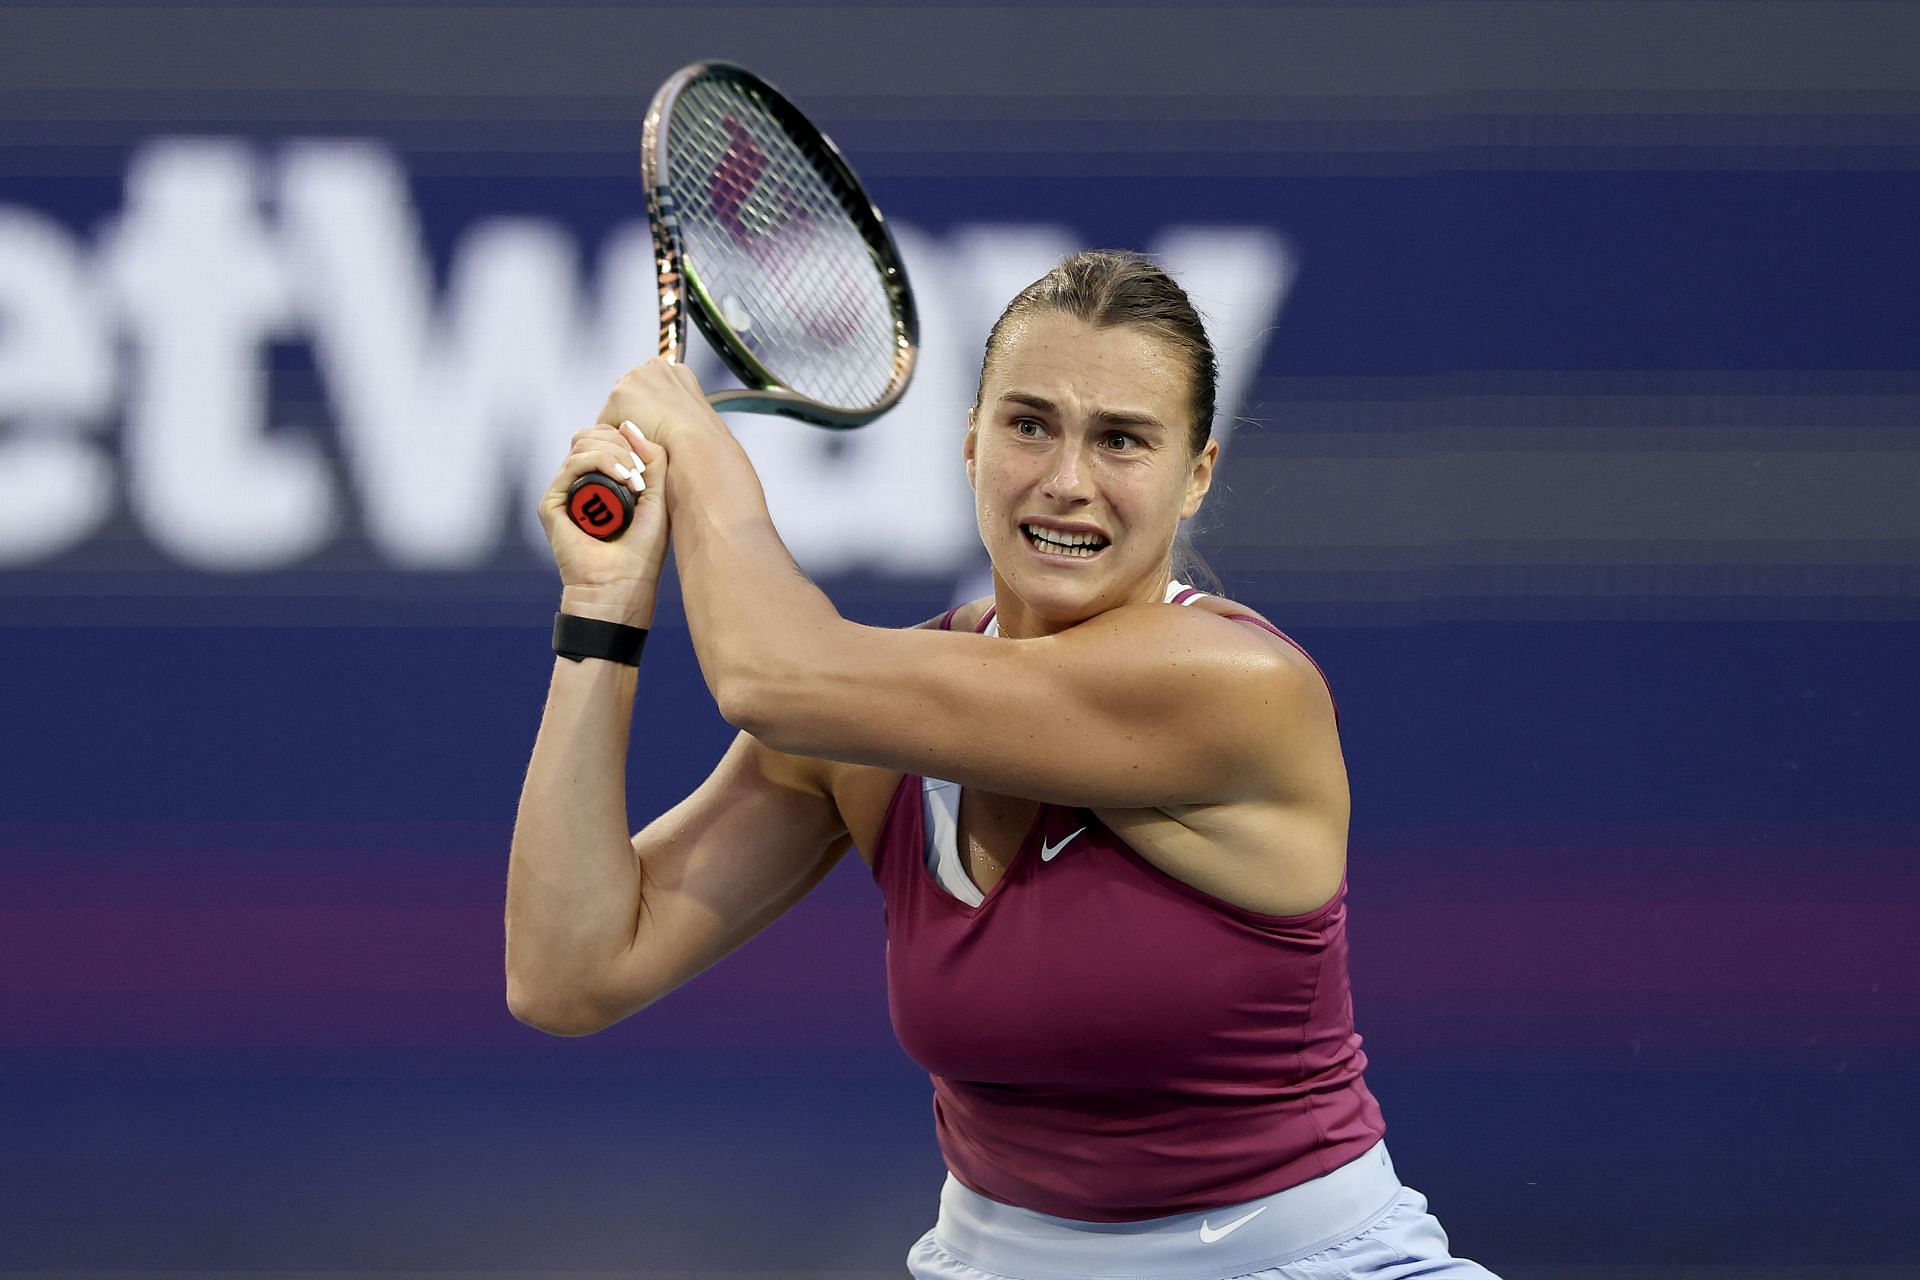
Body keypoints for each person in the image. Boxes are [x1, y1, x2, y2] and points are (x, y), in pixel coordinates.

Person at [505, 251, 1499, 1280]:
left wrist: (695, 440)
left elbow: (770, 673)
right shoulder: (876, 723)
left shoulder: (1237, 685)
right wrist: (604, 611)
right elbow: (569, 970)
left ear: (1196, 474)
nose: (1068, 481)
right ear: (972, 443)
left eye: (1122, 439)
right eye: (1030, 424)